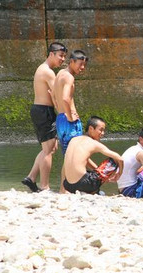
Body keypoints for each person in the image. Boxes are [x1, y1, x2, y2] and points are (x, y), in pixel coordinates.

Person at [22, 42, 67, 192]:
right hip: (44, 111)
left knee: (50, 147)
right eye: (60, 56)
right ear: (51, 54)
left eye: (64, 56)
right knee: (48, 149)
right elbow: (57, 95)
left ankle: (31, 177)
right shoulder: (48, 71)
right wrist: (63, 112)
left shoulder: (42, 69)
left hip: (41, 110)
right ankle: (45, 186)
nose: (62, 59)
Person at [52, 49, 88, 193]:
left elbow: (53, 96)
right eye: (80, 64)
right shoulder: (69, 77)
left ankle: (63, 189)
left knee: (67, 156)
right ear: (72, 61)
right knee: (74, 155)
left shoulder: (59, 74)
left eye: (84, 65)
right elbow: (66, 98)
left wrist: (62, 113)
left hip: (60, 119)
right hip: (68, 121)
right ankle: (68, 189)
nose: (82, 68)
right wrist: (70, 115)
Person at [63, 116, 123, 194]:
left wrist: (97, 170)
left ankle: (89, 191)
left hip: (68, 184)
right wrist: (119, 174)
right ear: (91, 128)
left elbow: (85, 160)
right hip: (84, 184)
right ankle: (92, 191)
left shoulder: (73, 140)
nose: (102, 133)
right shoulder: (93, 143)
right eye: (101, 130)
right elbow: (120, 159)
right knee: (113, 160)